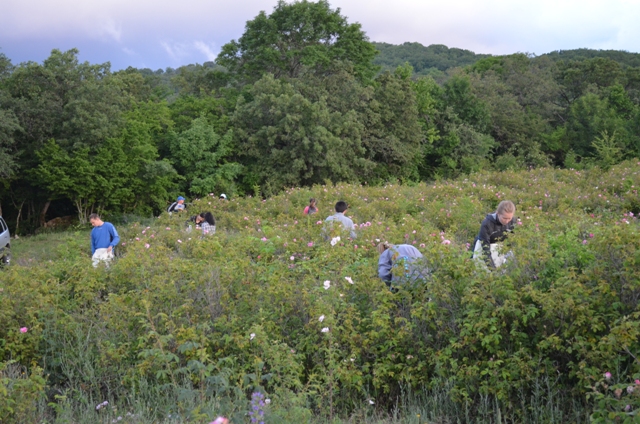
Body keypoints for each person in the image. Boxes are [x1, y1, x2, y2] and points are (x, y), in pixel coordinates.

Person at [472, 200, 517, 269]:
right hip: (483, 248)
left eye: (509, 218)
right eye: (504, 218)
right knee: (482, 273)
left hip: (499, 247)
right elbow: (485, 249)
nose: (507, 221)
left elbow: (513, 242)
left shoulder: (513, 222)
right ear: (498, 213)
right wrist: (492, 269)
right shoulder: (487, 224)